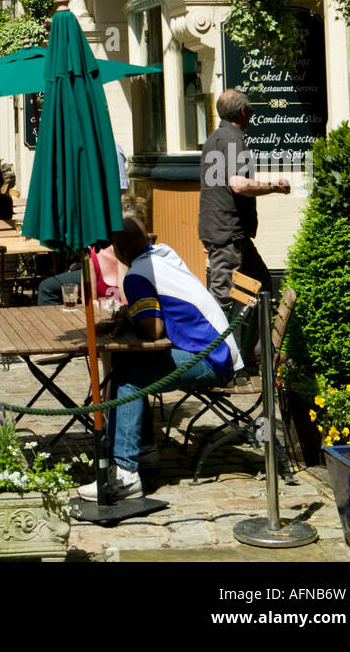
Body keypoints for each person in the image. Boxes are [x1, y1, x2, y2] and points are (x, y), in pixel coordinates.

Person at [77, 217, 243, 503]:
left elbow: (154, 329)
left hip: (211, 359)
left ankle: (126, 474)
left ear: (119, 249)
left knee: (130, 375)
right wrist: (132, 313)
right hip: (221, 349)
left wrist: (131, 315)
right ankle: (143, 449)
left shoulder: (137, 276)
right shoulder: (163, 254)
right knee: (128, 365)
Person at [198, 89, 290, 351]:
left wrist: (209, 233)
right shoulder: (234, 139)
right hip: (228, 233)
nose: (251, 115)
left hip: (224, 230)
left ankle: (259, 353)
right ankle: (220, 364)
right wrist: (274, 185)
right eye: (250, 110)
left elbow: (212, 187)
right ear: (242, 112)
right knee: (222, 301)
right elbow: (238, 185)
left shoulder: (213, 139)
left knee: (261, 284)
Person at [37, 242, 124, 307]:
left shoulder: (132, 262)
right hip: (88, 269)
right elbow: (90, 301)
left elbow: (127, 302)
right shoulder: (95, 255)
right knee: (46, 287)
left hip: (120, 311)